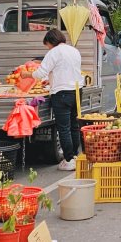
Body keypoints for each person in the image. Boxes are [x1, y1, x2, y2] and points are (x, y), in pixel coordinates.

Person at [32, 28, 85, 170]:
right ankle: (74, 155)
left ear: (51, 41)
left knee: (64, 128)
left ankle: (68, 160)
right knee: (74, 125)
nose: (47, 47)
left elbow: (41, 72)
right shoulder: (74, 51)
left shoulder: (53, 52)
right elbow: (66, 71)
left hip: (62, 94)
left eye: (47, 44)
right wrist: (50, 80)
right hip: (77, 91)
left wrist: (27, 74)